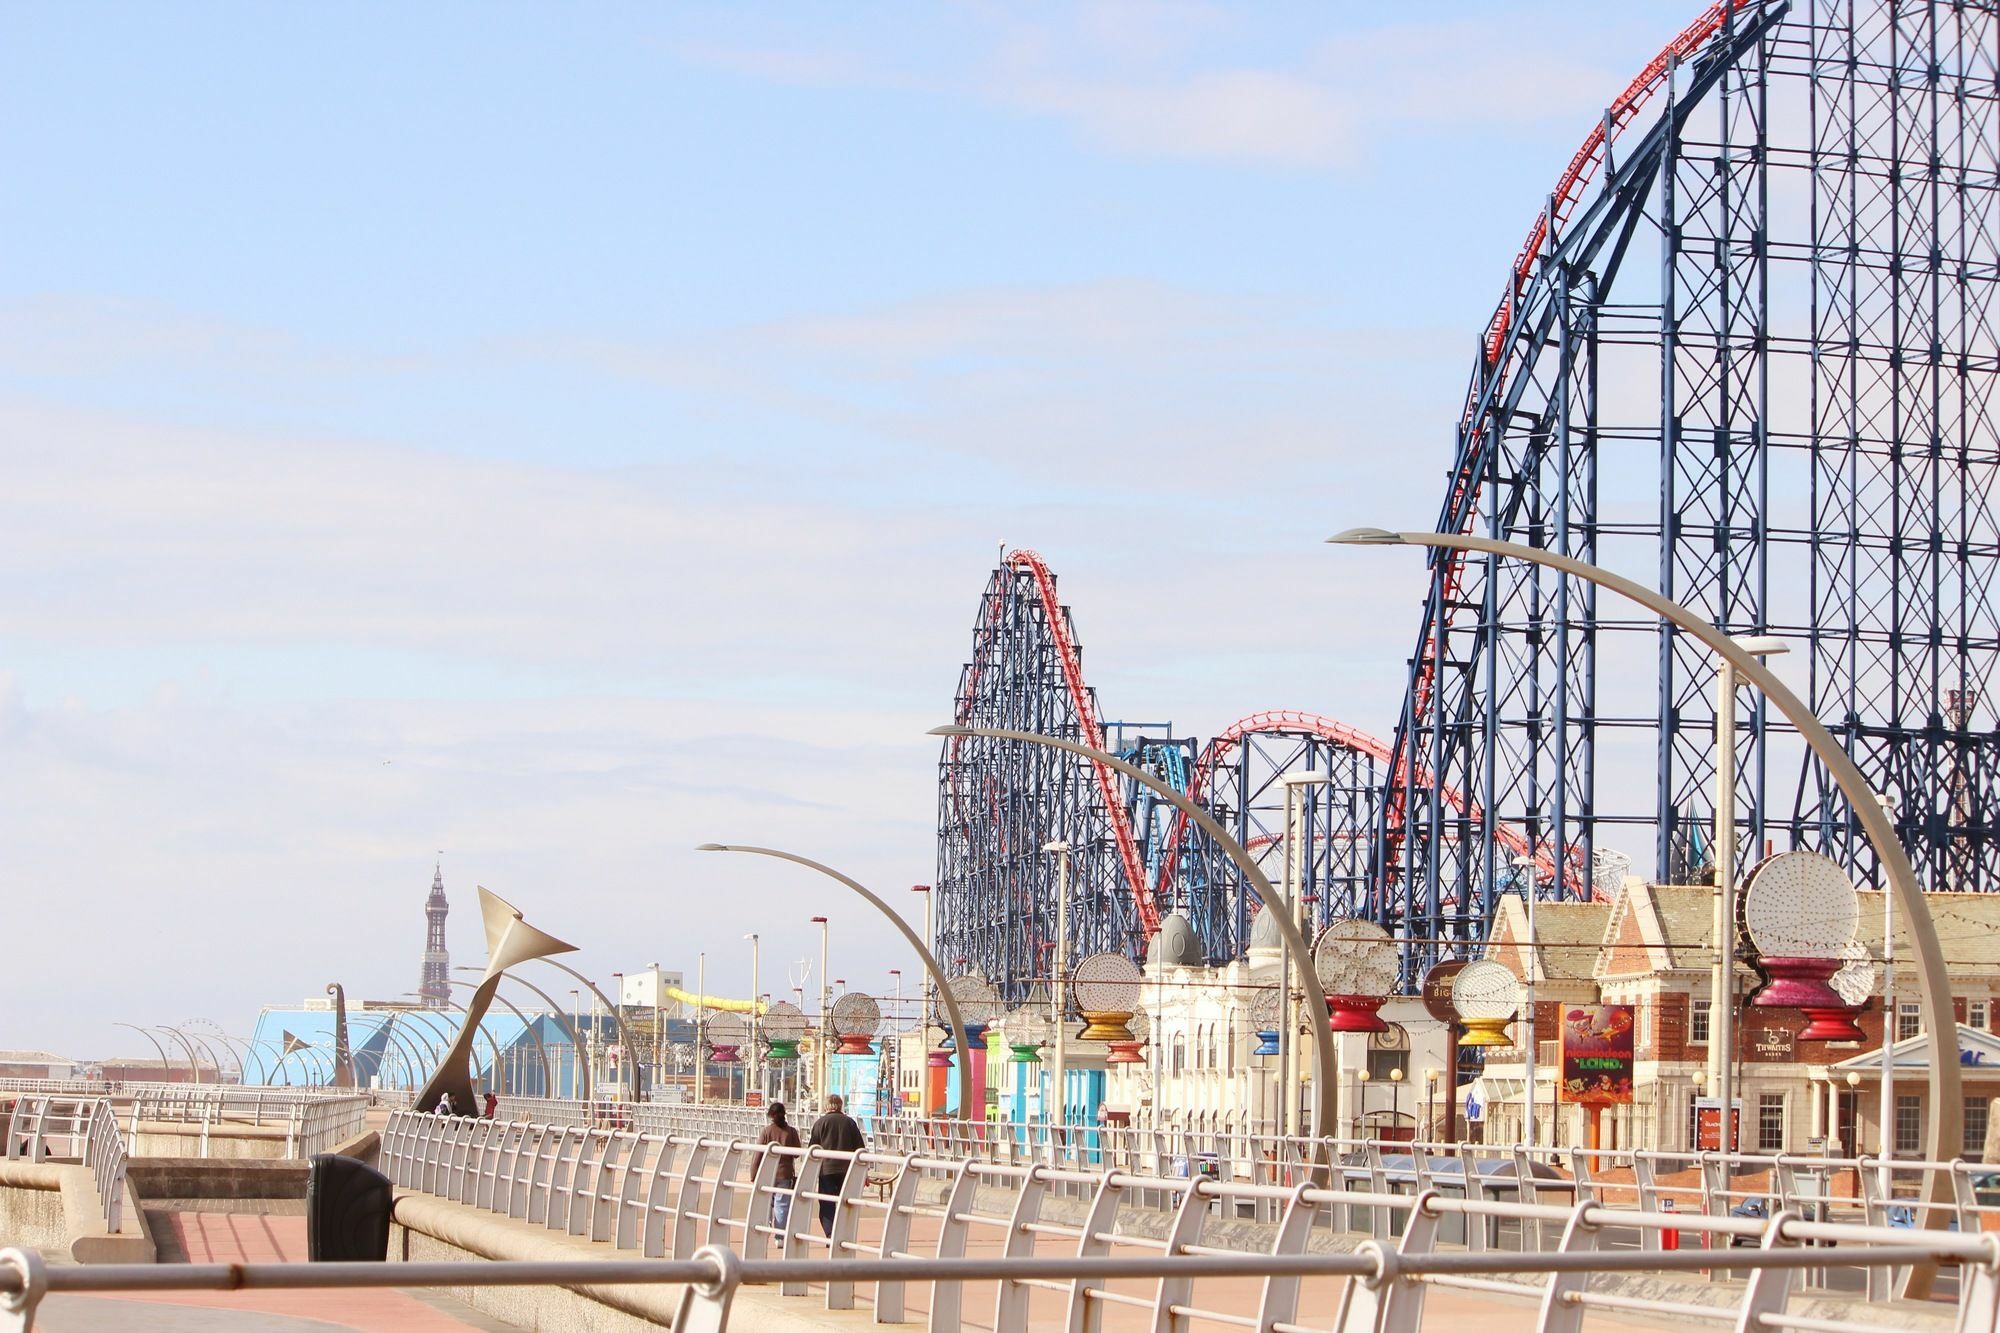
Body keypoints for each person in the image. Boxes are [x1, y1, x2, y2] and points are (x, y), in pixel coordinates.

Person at [807, 1094, 865, 1236]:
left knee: (827, 1203)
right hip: (847, 1170)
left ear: (826, 1106)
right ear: (840, 1105)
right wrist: (864, 1173)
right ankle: (843, 1233)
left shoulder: (820, 1123)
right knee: (845, 1202)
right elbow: (860, 1148)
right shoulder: (850, 1123)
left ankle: (830, 1234)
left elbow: (812, 1149)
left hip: (826, 1170)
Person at [757, 1102, 801, 1231]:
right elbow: (797, 1153)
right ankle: (780, 1235)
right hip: (785, 1173)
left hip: (767, 1173)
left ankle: (765, 1228)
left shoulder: (766, 1131)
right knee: (782, 1204)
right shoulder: (791, 1131)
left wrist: (754, 1174)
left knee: (765, 1202)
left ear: (771, 1115)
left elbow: (758, 1154)